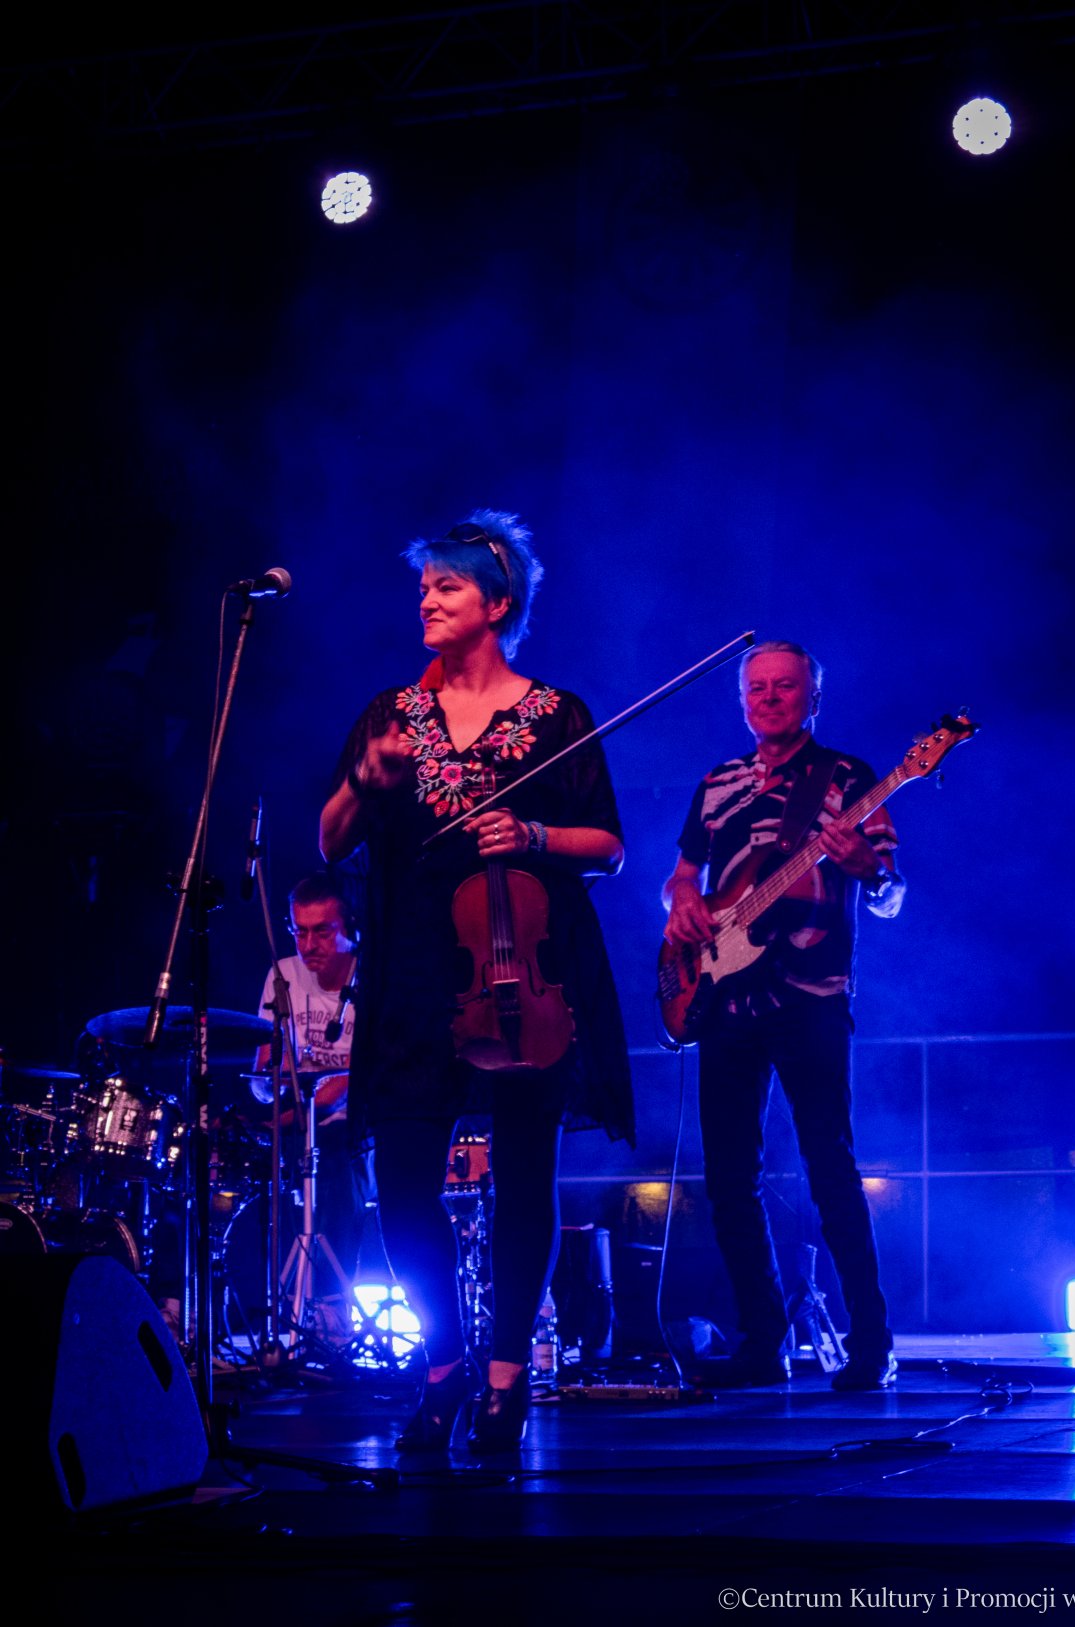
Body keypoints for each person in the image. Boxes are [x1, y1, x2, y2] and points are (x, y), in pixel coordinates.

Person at [320, 509, 632, 1451]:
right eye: (424, 586)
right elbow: (330, 840)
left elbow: (609, 847)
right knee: (403, 1183)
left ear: (497, 602)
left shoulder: (559, 716)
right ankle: (444, 1366)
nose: (427, 598)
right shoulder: (389, 717)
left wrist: (535, 835)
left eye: (446, 585)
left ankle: (507, 1385)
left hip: (520, 971)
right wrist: (366, 781)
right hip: (416, 973)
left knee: (523, 1180)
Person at [662, 640, 903, 1392]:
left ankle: (872, 1340)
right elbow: (679, 879)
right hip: (724, 998)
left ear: (813, 697)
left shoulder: (849, 779)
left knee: (831, 1166)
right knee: (730, 1177)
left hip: (811, 996)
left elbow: (893, 891)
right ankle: (762, 1340)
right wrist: (684, 908)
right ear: (741, 699)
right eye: (756, 688)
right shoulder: (716, 782)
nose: (768, 698)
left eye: (785, 687)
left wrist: (867, 868)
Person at [251, 873, 365, 1335]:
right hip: (298, 1117)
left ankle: (333, 1315)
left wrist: (302, 1106)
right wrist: (270, 1085)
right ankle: (267, 1310)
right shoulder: (282, 975)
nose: (308, 943)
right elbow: (264, 1069)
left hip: (354, 1124)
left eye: (322, 931)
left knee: (336, 1172)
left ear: (350, 929)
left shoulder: (371, 977)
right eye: (300, 931)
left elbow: (355, 1081)